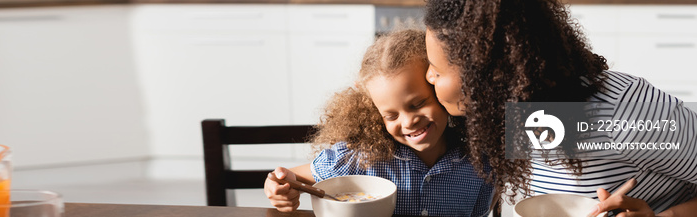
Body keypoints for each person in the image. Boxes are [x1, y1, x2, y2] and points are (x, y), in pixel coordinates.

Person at [422, 0, 697, 216]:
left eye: (436, 69)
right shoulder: (513, 116)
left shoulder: (618, 114)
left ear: (490, 75)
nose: (429, 77)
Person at [264, 29, 494, 216]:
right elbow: (286, 177)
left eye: (418, 103)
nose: (408, 121)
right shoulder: (360, 158)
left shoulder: (481, 162)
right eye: (391, 115)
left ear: (440, 89)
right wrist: (279, 186)